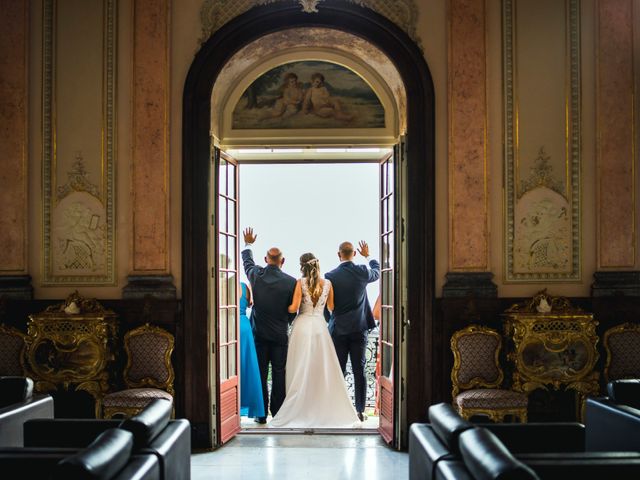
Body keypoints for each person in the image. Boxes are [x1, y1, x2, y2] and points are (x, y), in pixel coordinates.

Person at [270, 253, 359, 428]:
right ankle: (320, 406)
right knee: (320, 370)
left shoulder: (300, 283)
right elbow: (332, 308)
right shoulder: (328, 284)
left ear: (302, 266)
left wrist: (279, 304)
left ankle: (300, 406)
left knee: (299, 369)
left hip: (302, 328)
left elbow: (294, 308)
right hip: (319, 328)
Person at [241, 227, 296, 423]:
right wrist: (284, 323)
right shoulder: (291, 282)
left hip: (259, 334)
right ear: (283, 261)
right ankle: (279, 413)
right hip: (280, 335)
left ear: (265, 260)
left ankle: (261, 414)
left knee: (261, 374)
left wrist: (248, 244)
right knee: (279, 374)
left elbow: (247, 262)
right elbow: (292, 311)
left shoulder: (256, 275)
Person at [325, 240, 380, 422]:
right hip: (359, 329)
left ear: (338, 254)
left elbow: (327, 304)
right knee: (359, 370)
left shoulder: (330, 275)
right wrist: (368, 255)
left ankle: (336, 409)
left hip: (338, 330)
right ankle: (360, 410)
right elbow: (377, 271)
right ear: (354, 254)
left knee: (338, 371)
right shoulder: (362, 272)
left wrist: (330, 321)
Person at [239, 281, 265, 420]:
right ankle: (254, 407)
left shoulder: (222, 284)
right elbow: (250, 303)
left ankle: (231, 408)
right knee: (248, 366)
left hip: (229, 325)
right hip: (244, 326)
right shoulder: (244, 286)